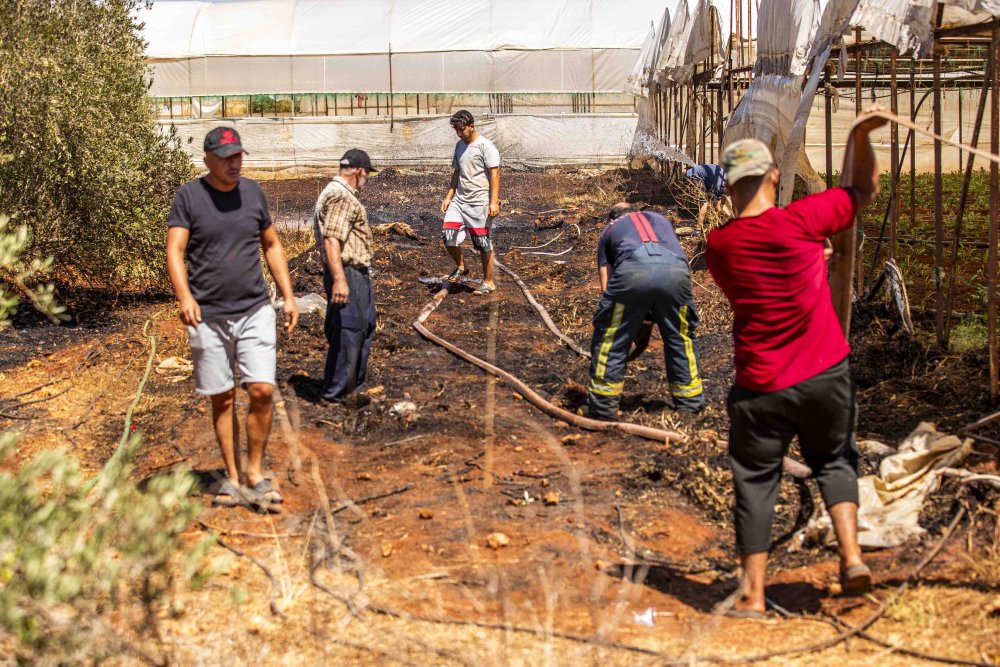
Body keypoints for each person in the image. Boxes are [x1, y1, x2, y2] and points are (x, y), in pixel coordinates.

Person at [705, 108, 888, 616]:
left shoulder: (720, 246)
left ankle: (754, 595)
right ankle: (851, 558)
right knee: (834, 460)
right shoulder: (804, 222)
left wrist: (811, 257)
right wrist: (859, 134)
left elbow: (756, 287)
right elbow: (863, 188)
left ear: (728, 188)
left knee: (756, 481)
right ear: (774, 176)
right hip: (825, 374)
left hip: (761, 385)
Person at [166, 126, 299, 512]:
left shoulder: (253, 193)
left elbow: (271, 244)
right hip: (207, 316)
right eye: (226, 157)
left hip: (254, 309)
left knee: (260, 390)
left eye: (238, 155)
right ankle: (233, 475)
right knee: (222, 398)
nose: (234, 163)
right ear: (208, 159)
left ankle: (255, 473)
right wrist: (185, 297)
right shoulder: (189, 197)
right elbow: (175, 250)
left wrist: (289, 297)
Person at [586, 202, 705, 420]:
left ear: (612, 218)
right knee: (682, 337)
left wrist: (623, 317)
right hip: (676, 273)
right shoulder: (659, 219)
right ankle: (690, 405)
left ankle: (603, 407)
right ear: (634, 211)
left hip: (633, 270)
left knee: (610, 337)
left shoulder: (609, 230)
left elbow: (606, 286)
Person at [313, 149, 377, 406]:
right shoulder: (341, 197)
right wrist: (340, 279)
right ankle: (336, 393)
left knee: (364, 325)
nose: (367, 179)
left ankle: (352, 387)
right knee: (350, 330)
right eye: (367, 174)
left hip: (353, 272)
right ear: (359, 171)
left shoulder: (334, 193)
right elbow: (332, 240)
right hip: (348, 271)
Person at [439, 110, 501, 295]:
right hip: (460, 199)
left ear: (472, 125)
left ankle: (488, 282)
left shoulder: (485, 146)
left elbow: (495, 174)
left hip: (479, 202)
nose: (459, 133)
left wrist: (494, 202)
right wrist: (449, 196)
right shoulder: (459, 146)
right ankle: (460, 266)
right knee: (448, 235)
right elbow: (456, 172)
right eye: (457, 130)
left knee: (482, 242)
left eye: (462, 129)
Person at [685, 163, 730, 227]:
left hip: (706, 179)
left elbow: (723, 198)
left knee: (712, 199)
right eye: (729, 192)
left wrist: (720, 212)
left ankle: (707, 219)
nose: (728, 194)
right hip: (694, 175)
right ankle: (698, 228)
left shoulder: (727, 180)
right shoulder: (720, 184)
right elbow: (717, 204)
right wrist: (721, 218)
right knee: (704, 203)